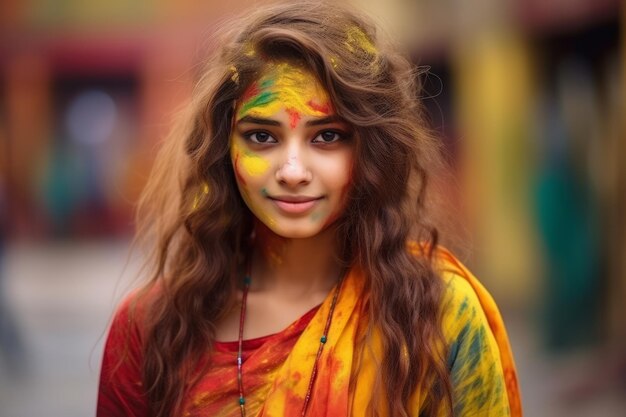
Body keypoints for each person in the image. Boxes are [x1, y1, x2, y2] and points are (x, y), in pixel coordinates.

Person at [97, 2, 522, 416]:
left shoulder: (437, 316)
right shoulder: (152, 328)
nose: (293, 171)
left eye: (327, 137)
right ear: (223, 151)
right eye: (262, 137)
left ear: (372, 151)